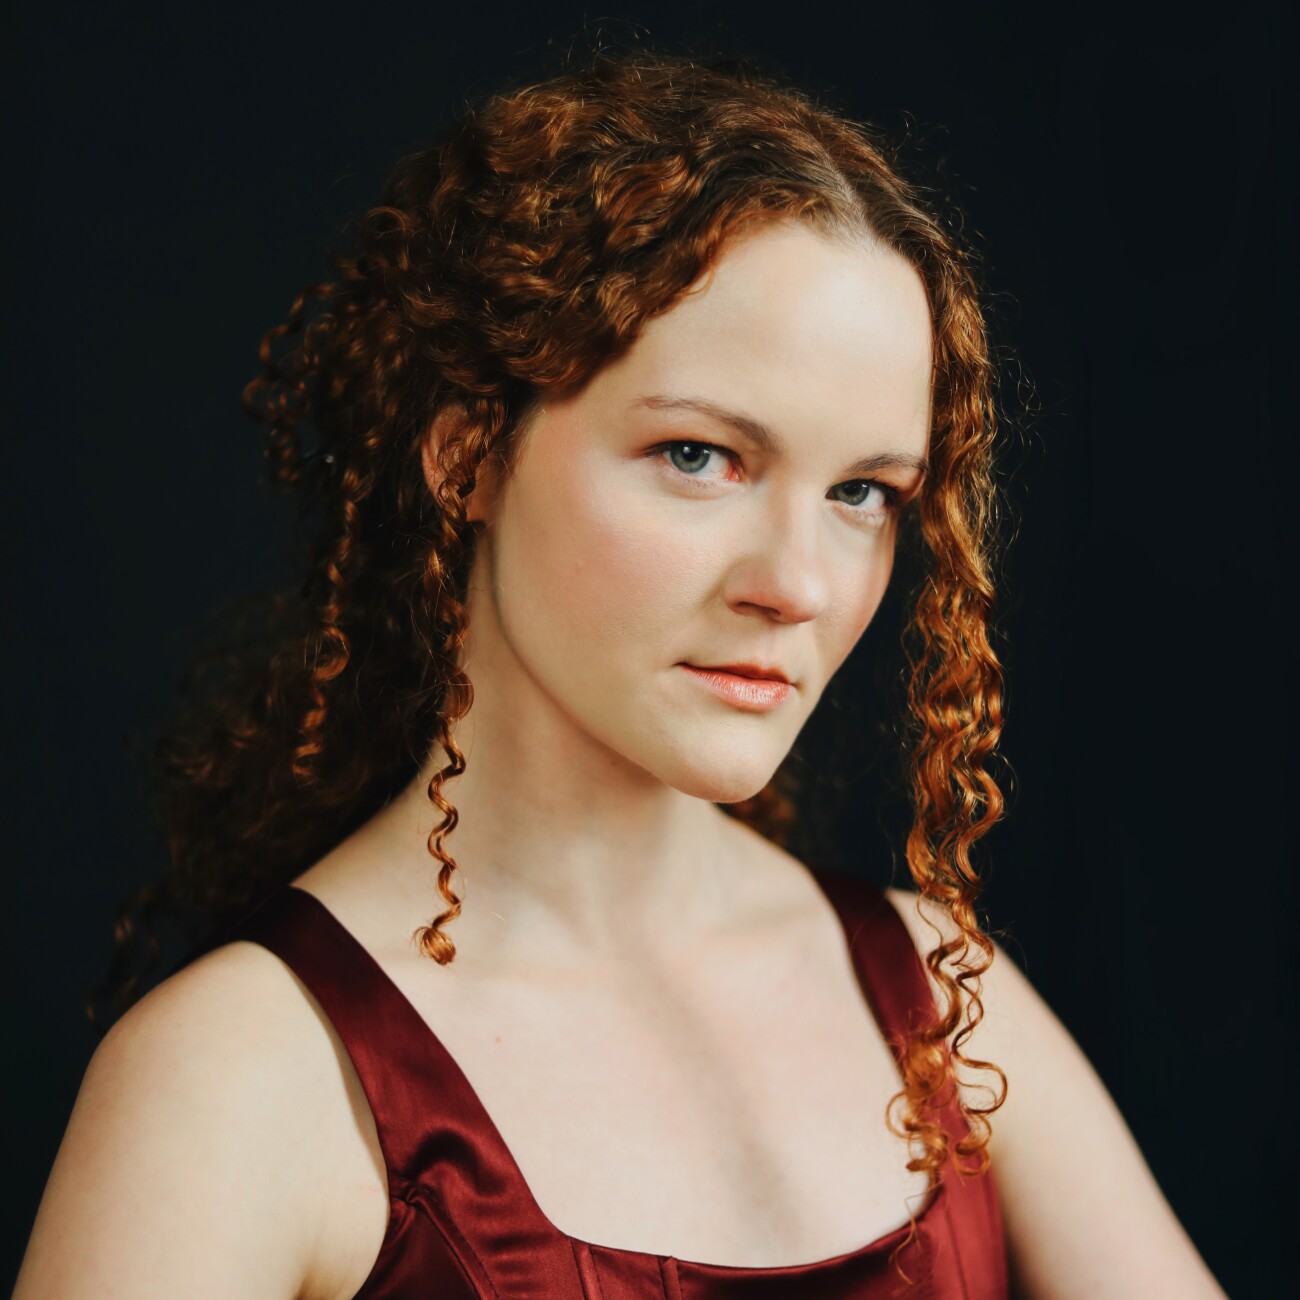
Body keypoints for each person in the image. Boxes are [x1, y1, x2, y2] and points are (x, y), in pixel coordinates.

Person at [14, 48, 1226, 1300]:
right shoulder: (241, 1077)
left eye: (863, 491)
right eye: (699, 456)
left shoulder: (941, 995)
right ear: (468, 456)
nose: (797, 583)